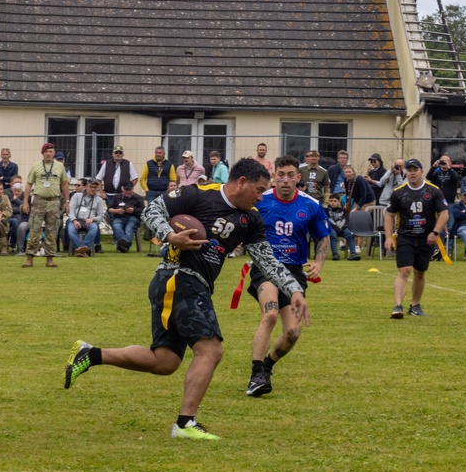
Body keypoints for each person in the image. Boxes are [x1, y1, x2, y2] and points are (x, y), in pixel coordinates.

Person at [64, 158, 309, 440]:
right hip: (179, 277)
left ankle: (91, 354)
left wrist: (295, 290)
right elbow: (152, 210)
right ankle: (185, 423)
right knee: (211, 351)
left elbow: (267, 261)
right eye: (259, 189)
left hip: (189, 285)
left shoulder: (250, 218)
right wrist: (171, 236)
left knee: (165, 361)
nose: (261, 195)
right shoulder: (198, 193)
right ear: (242, 182)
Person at [243, 155, 328, 397]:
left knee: (293, 333)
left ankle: (267, 366)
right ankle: (256, 374)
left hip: (293, 272)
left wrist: (319, 263)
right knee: (269, 315)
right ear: (274, 177)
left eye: (291, 175)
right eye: (281, 175)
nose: (285, 180)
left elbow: (323, 236)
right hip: (266, 268)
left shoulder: (310, 205)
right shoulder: (261, 201)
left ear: (298, 178)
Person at [384, 158, 449, 318]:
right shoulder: (399, 192)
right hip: (405, 236)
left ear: (421, 171)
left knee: (420, 272)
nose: (412, 173)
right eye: (409, 170)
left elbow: (444, 213)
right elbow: (389, 214)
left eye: (415, 170)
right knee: (404, 271)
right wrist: (388, 237)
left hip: (426, 238)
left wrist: (435, 233)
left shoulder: (433, 191)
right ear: (406, 172)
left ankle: (415, 305)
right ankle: (398, 306)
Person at [22, 142, 70, 268]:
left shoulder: (60, 167)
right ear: (42, 153)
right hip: (39, 201)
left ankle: (50, 258)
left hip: (54, 201)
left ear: (54, 153)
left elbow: (64, 184)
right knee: (34, 230)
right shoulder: (36, 166)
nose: (48, 154)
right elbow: (28, 184)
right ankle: (29, 258)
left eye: (51, 152)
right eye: (46, 152)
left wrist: (67, 201)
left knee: (52, 230)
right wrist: (25, 201)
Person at [67, 178, 105, 256]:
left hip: (89, 221)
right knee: (71, 230)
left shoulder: (99, 200)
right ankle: (84, 251)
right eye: (91, 187)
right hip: (76, 219)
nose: (93, 189)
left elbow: (101, 216)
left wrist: (92, 219)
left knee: (94, 228)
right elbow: (71, 210)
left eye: (95, 187)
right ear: (86, 187)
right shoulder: (76, 196)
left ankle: (82, 249)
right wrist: (74, 220)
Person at [108, 182, 145, 252]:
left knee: (129, 228)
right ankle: (125, 245)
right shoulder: (117, 197)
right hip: (119, 217)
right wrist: (117, 211)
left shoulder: (138, 198)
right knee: (116, 226)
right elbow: (109, 209)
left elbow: (143, 211)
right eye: (126, 190)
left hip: (133, 217)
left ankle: (122, 245)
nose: (128, 192)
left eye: (129, 190)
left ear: (132, 189)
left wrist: (133, 210)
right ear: (122, 189)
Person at [325, 193, 359, 261]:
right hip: (331, 228)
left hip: (342, 228)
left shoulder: (344, 210)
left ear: (338, 202)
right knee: (333, 235)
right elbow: (328, 221)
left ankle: (353, 253)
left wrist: (341, 228)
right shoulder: (325, 210)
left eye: (335, 201)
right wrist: (338, 229)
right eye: (331, 201)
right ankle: (335, 254)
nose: (333, 203)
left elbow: (346, 221)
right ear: (328, 201)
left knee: (349, 234)